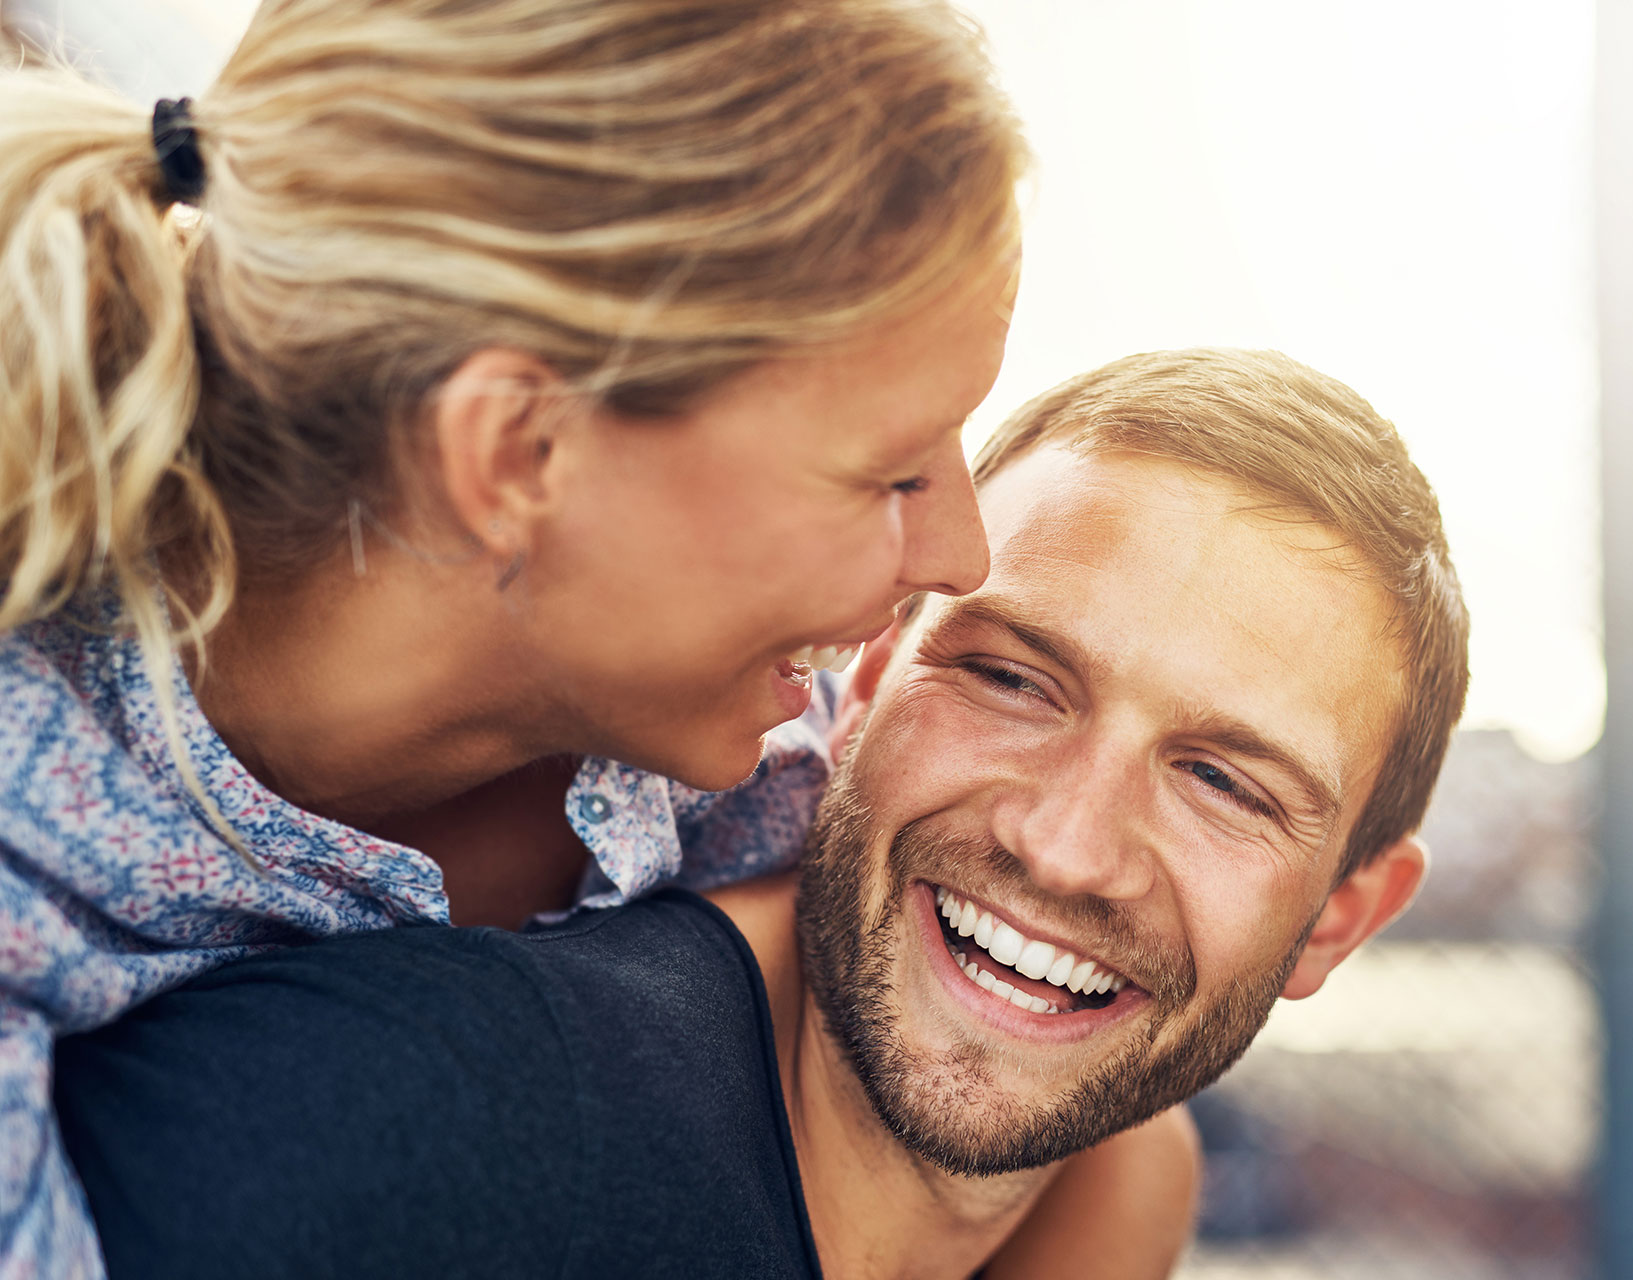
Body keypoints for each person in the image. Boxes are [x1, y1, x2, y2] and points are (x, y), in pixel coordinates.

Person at [0, 0, 1083, 1273]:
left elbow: (1109, 1134)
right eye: (893, 472)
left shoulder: (761, 763)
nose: (961, 554)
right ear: (516, 450)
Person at [54, 348, 1473, 1278]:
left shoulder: (1107, 1179)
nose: (1064, 844)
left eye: (1222, 781)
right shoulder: (405, 1127)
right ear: (859, 682)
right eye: (1014, 680)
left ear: (1338, 918)